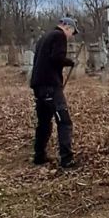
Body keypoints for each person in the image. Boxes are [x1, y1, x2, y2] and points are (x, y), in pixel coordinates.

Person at [30, 16, 78, 168]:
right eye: (72, 32)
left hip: (39, 86)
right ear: (67, 27)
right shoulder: (59, 36)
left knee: (44, 122)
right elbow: (56, 58)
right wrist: (70, 62)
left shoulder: (44, 37)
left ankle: (39, 155)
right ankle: (67, 159)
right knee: (64, 121)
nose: (71, 36)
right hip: (51, 85)